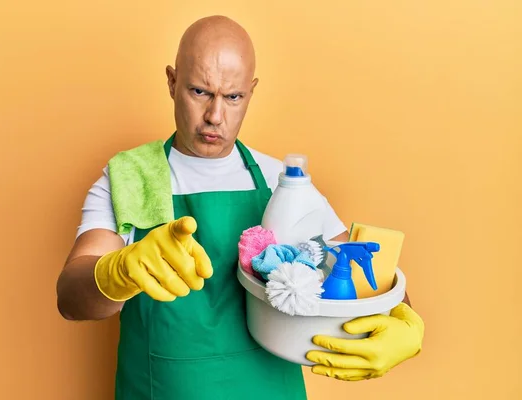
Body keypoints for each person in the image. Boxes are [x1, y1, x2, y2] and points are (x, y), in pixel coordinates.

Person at [56, 15, 425, 400]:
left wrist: (406, 319)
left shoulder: (282, 183)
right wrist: (119, 271)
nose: (216, 116)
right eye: (199, 92)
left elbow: (365, 273)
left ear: (251, 92)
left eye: (233, 97)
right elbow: (71, 297)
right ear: (171, 81)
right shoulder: (130, 179)